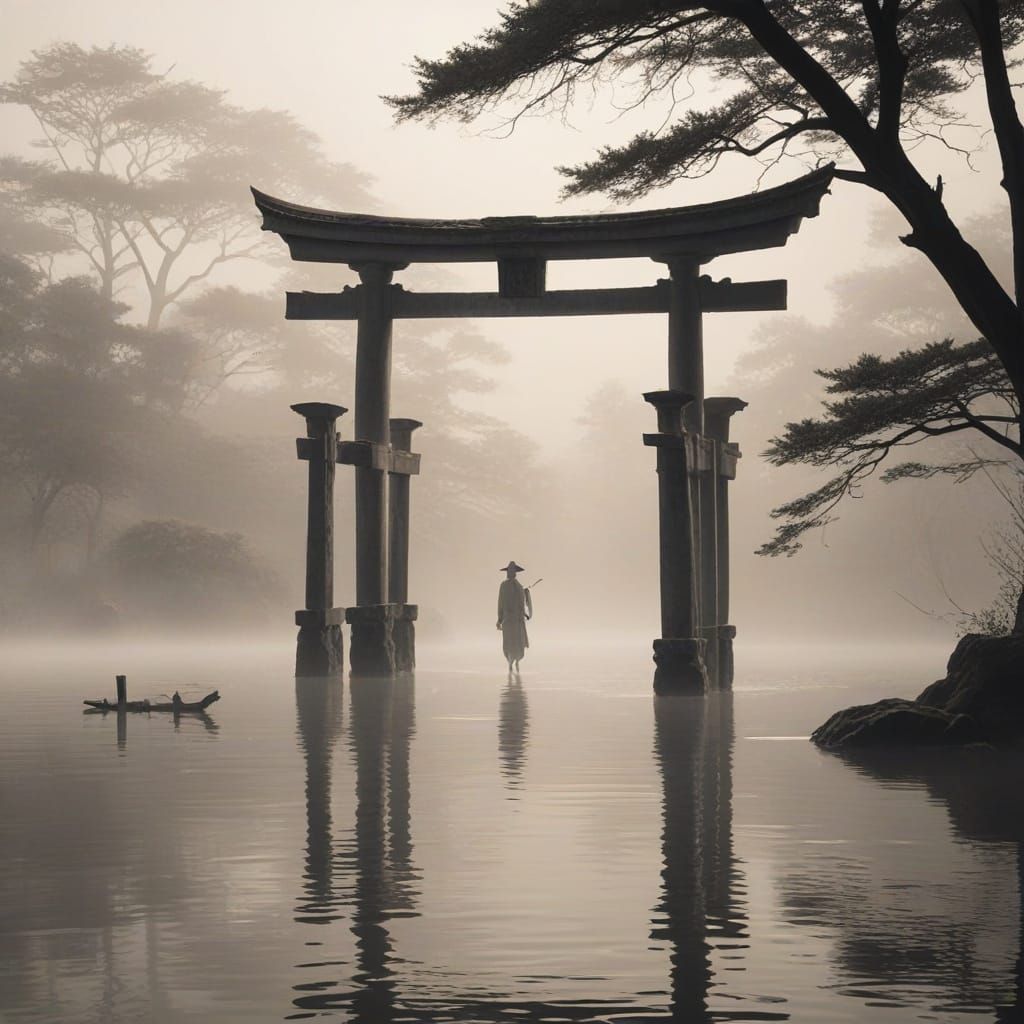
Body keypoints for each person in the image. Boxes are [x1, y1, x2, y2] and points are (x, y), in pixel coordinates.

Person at [496, 561, 532, 674]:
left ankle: (512, 662)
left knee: (510, 643)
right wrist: (526, 593)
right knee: (516, 643)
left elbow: (500, 604)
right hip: (515, 621)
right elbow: (521, 605)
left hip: (509, 621)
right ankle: (514, 662)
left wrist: (499, 619)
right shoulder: (519, 587)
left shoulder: (508, 586)